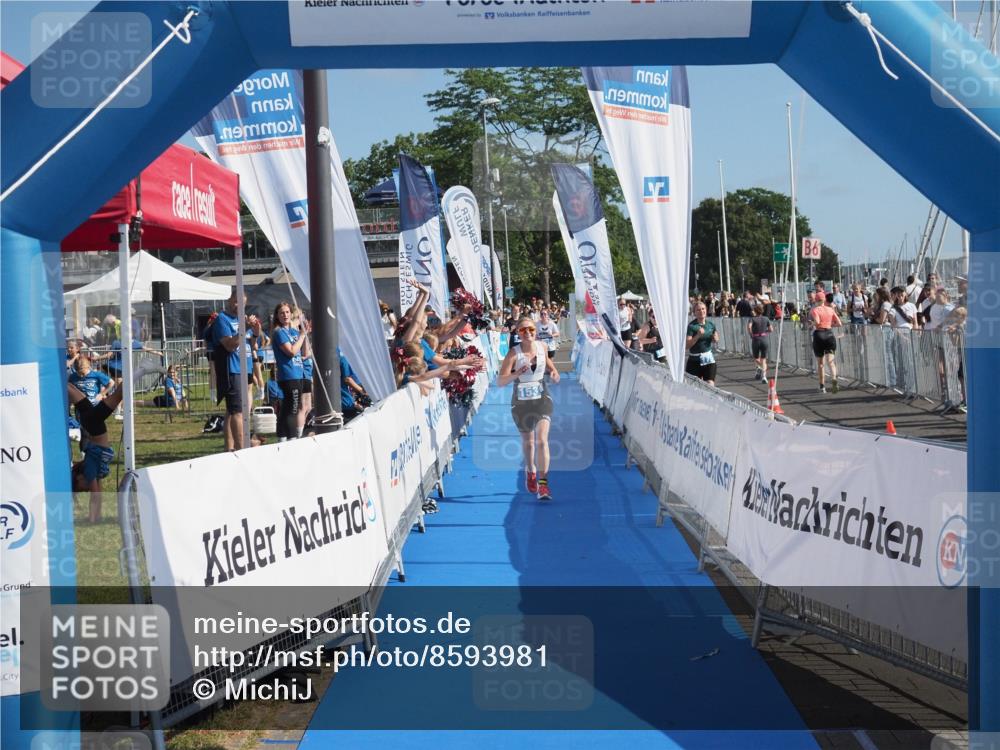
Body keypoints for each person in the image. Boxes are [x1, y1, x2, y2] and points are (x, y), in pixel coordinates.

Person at [497, 316, 560, 501]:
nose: (528, 333)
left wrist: (554, 372)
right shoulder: (513, 353)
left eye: (531, 329)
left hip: (542, 398)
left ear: (535, 330)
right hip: (521, 402)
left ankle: (543, 485)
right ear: (518, 333)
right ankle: (531, 469)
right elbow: (501, 381)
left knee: (541, 441)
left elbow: (548, 364)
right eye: (523, 330)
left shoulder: (542, 347)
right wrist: (517, 373)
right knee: (529, 443)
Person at [68, 380, 124, 523]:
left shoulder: (89, 470)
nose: (86, 490)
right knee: (73, 391)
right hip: (92, 425)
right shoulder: (92, 471)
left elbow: (95, 494)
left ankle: (138, 373)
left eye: (81, 489)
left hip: (94, 425)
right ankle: (61, 380)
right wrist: (96, 516)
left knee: (118, 395)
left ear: (79, 479)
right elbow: (98, 492)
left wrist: (92, 519)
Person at [213, 293, 261, 451]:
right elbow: (229, 345)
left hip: (245, 366)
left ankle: (230, 448)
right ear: (229, 300)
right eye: (236, 302)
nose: (239, 306)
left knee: (233, 410)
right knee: (237, 411)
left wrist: (255, 332)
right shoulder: (222, 319)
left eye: (242, 303)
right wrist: (245, 327)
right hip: (232, 368)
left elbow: (252, 345)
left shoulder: (243, 319)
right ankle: (242, 448)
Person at [271, 301, 308, 441]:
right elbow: (291, 351)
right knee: (292, 408)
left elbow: (304, 353)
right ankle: (290, 437)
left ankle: (283, 437)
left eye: (287, 312)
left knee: (290, 407)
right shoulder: (279, 332)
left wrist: (304, 335)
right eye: (282, 313)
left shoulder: (293, 331)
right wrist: (302, 336)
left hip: (298, 373)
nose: (285, 315)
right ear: (277, 316)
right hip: (288, 374)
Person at [810, 295, 843, 393]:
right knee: (831, 362)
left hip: (819, 335)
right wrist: (829, 324)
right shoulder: (830, 309)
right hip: (829, 335)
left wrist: (812, 324)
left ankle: (822, 386)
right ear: (824, 300)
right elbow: (839, 323)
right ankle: (834, 382)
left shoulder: (815, 310)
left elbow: (817, 321)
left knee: (821, 364)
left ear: (816, 300)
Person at [685, 302, 719, 385]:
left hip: (708, 359)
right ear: (694, 313)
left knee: (710, 384)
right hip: (694, 360)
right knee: (694, 387)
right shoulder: (691, 326)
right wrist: (697, 336)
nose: (701, 311)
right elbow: (687, 345)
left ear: (706, 310)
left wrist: (715, 339)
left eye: (703, 309)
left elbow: (716, 337)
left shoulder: (711, 325)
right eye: (698, 310)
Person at [747, 304, 772, 383]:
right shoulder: (766, 318)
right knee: (764, 359)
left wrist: (751, 334)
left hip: (756, 339)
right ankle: (764, 377)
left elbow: (749, 327)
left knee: (756, 358)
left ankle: (760, 367)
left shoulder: (752, 319)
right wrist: (765, 332)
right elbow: (771, 329)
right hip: (764, 339)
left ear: (755, 311)